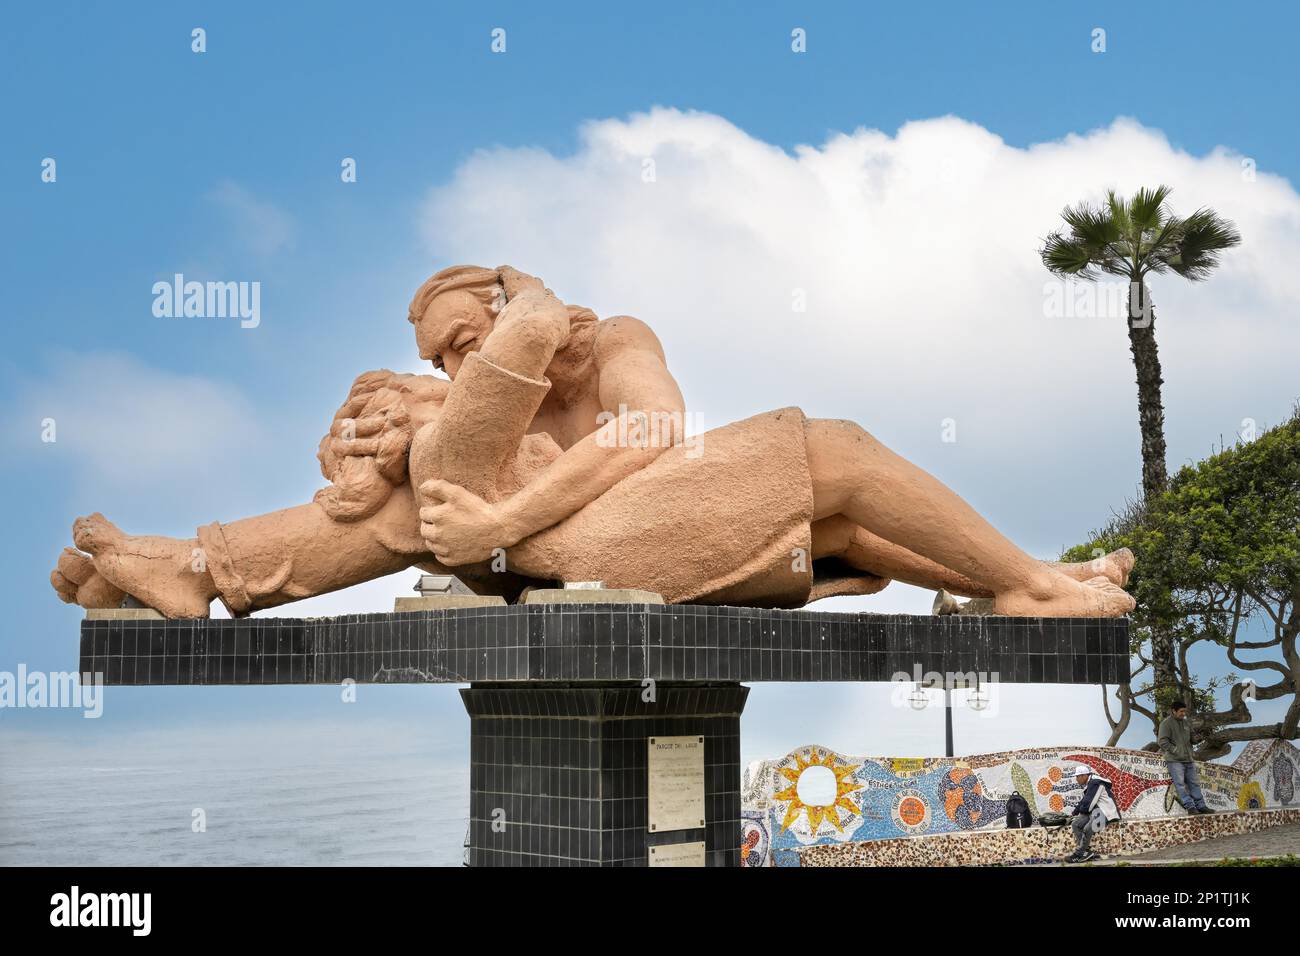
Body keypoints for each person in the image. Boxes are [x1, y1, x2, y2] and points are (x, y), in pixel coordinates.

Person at [52, 266, 1137, 618]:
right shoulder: (479, 413)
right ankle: (1035, 583)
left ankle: (197, 568)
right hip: (597, 550)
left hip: (635, 528)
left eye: (459, 343)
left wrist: (501, 519)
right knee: (835, 446)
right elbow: (437, 505)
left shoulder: (608, 343)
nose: (451, 370)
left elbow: (657, 426)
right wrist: (498, 509)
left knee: (839, 503)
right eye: (438, 360)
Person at [1159, 701, 1211, 814]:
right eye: (1181, 711)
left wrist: (1199, 737)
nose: (1184, 713)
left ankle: (1201, 806)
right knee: (1180, 785)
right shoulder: (1166, 724)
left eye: (1184, 711)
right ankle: (1190, 807)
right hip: (1175, 760)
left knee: (1194, 783)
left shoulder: (1186, 723)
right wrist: (1176, 751)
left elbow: (1192, 739)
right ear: (1174, 711)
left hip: (1189, 759)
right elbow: (1162, 741)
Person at [1066, 765, 1121, 863]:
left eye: (1077, 777)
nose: (1076, 779)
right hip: (1096, 811)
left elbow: (1088, 804)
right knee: (1075, 824)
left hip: (1106, 812)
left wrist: (1082, 812)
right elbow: (1084, 801)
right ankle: (1085, 852)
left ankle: (1079, 853)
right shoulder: (1090, 784)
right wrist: (1074, 813)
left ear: (1083, 776)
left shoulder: (1095, 783)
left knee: (1088, 828)